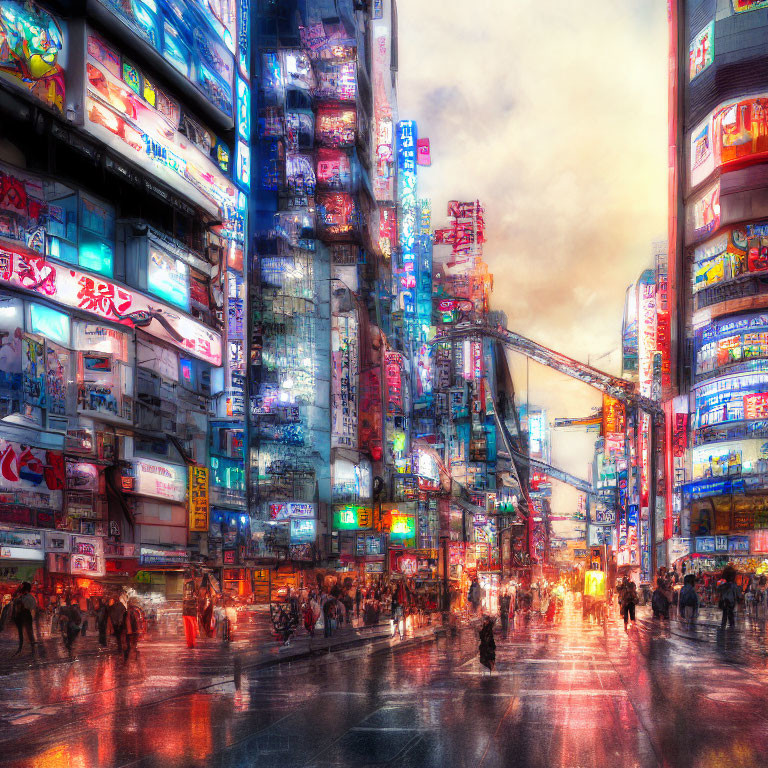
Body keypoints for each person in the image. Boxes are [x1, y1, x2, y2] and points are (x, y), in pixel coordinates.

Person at [11, 582, 37, 655]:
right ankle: (21, 648)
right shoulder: (21, 597)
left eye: (22, 587)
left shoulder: (29, 597)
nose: (21, 588)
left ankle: (31, 649)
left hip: (25, 615)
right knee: (22, 632)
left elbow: (31, 607)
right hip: (20, 615)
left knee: (29, 632)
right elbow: (14, 601)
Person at [182, 581, 198, 649]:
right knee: (190, 630)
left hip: (189, 613)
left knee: (190, 630)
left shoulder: (190, 592)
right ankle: (190, 644)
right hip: (189, 613)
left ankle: (191, 644)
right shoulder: (192, 595)